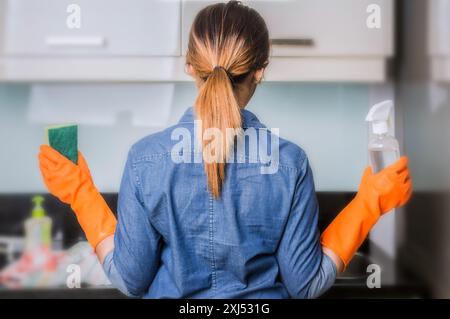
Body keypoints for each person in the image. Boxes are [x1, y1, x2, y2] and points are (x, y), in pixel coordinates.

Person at [38, 1, 412, 298]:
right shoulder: (289, 163)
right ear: (261, 70)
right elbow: (306, 284)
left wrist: (82, 195)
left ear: (189, 66)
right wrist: (369, 203)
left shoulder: (144, 160)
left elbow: (131, 279)